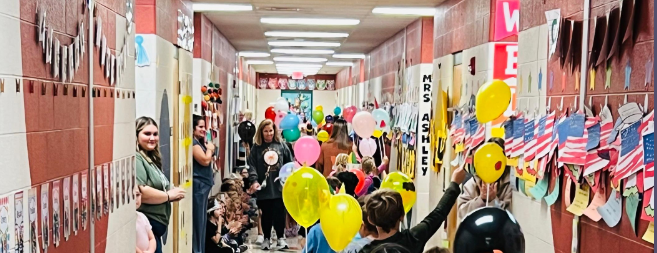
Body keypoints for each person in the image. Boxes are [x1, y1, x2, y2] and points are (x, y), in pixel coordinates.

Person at [359, 164, 466, 253]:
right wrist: (454, 184)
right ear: (402, 215)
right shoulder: (413, 239)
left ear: (370, 220)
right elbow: (438, 213)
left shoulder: (365, 251)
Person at [136, 116, 186, 253]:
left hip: (156, 228)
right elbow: (142, 192)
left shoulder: (150, 157)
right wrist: (168, 196)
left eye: (155, 134)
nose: (152, 138)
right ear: (136, 135)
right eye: (147, 134)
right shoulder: (137, 158)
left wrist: (171, 192)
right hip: (148, 224)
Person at [246, 119, 294, 250]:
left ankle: (280, 238)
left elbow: (290, 163)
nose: (268, 134)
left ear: (275, 131)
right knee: (266, 213)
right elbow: (252, 166)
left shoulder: (281, 145)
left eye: (271, 131)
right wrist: (254, 181)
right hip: (264, 188)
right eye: (266, 131)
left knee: (279, 213)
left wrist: (288, 179)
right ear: (261, 132)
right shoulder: (256, 148)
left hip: (279, 187)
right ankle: (266, 238)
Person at [457, 137, 512, 220]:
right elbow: (462, 213)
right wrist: (481, 199)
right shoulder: (474, 182)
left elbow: (508, 216)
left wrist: (493, 200)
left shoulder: (508, 185)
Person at [192, 115, 217, 253]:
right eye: (200, 126)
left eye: (204, 126)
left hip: (203, 186)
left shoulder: (200, 142)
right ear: (193, 128)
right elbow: (205, 161)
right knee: (198, 222)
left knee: (201, 222)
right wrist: (210, 149)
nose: (203, 129)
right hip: (198, 187)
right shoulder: (194, 144)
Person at [136, 185, 157, 253]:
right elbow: (129, 243)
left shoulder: (142, 216)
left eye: (137, 195)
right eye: (132, 196)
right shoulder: (125, 222)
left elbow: (152, 238)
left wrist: (151, 251)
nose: (136, 199)